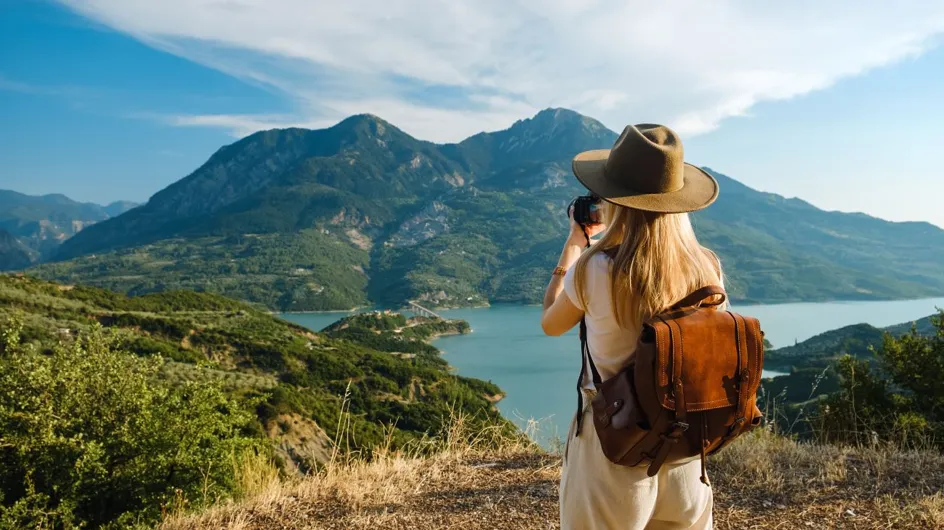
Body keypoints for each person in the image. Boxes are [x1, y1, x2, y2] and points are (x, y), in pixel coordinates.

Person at [541, 123, 724, 530]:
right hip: (686, 451)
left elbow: (551, 322)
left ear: (614, 199)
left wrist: (574, 244)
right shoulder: (706, 267)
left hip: (615, 447)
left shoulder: (596, 268)